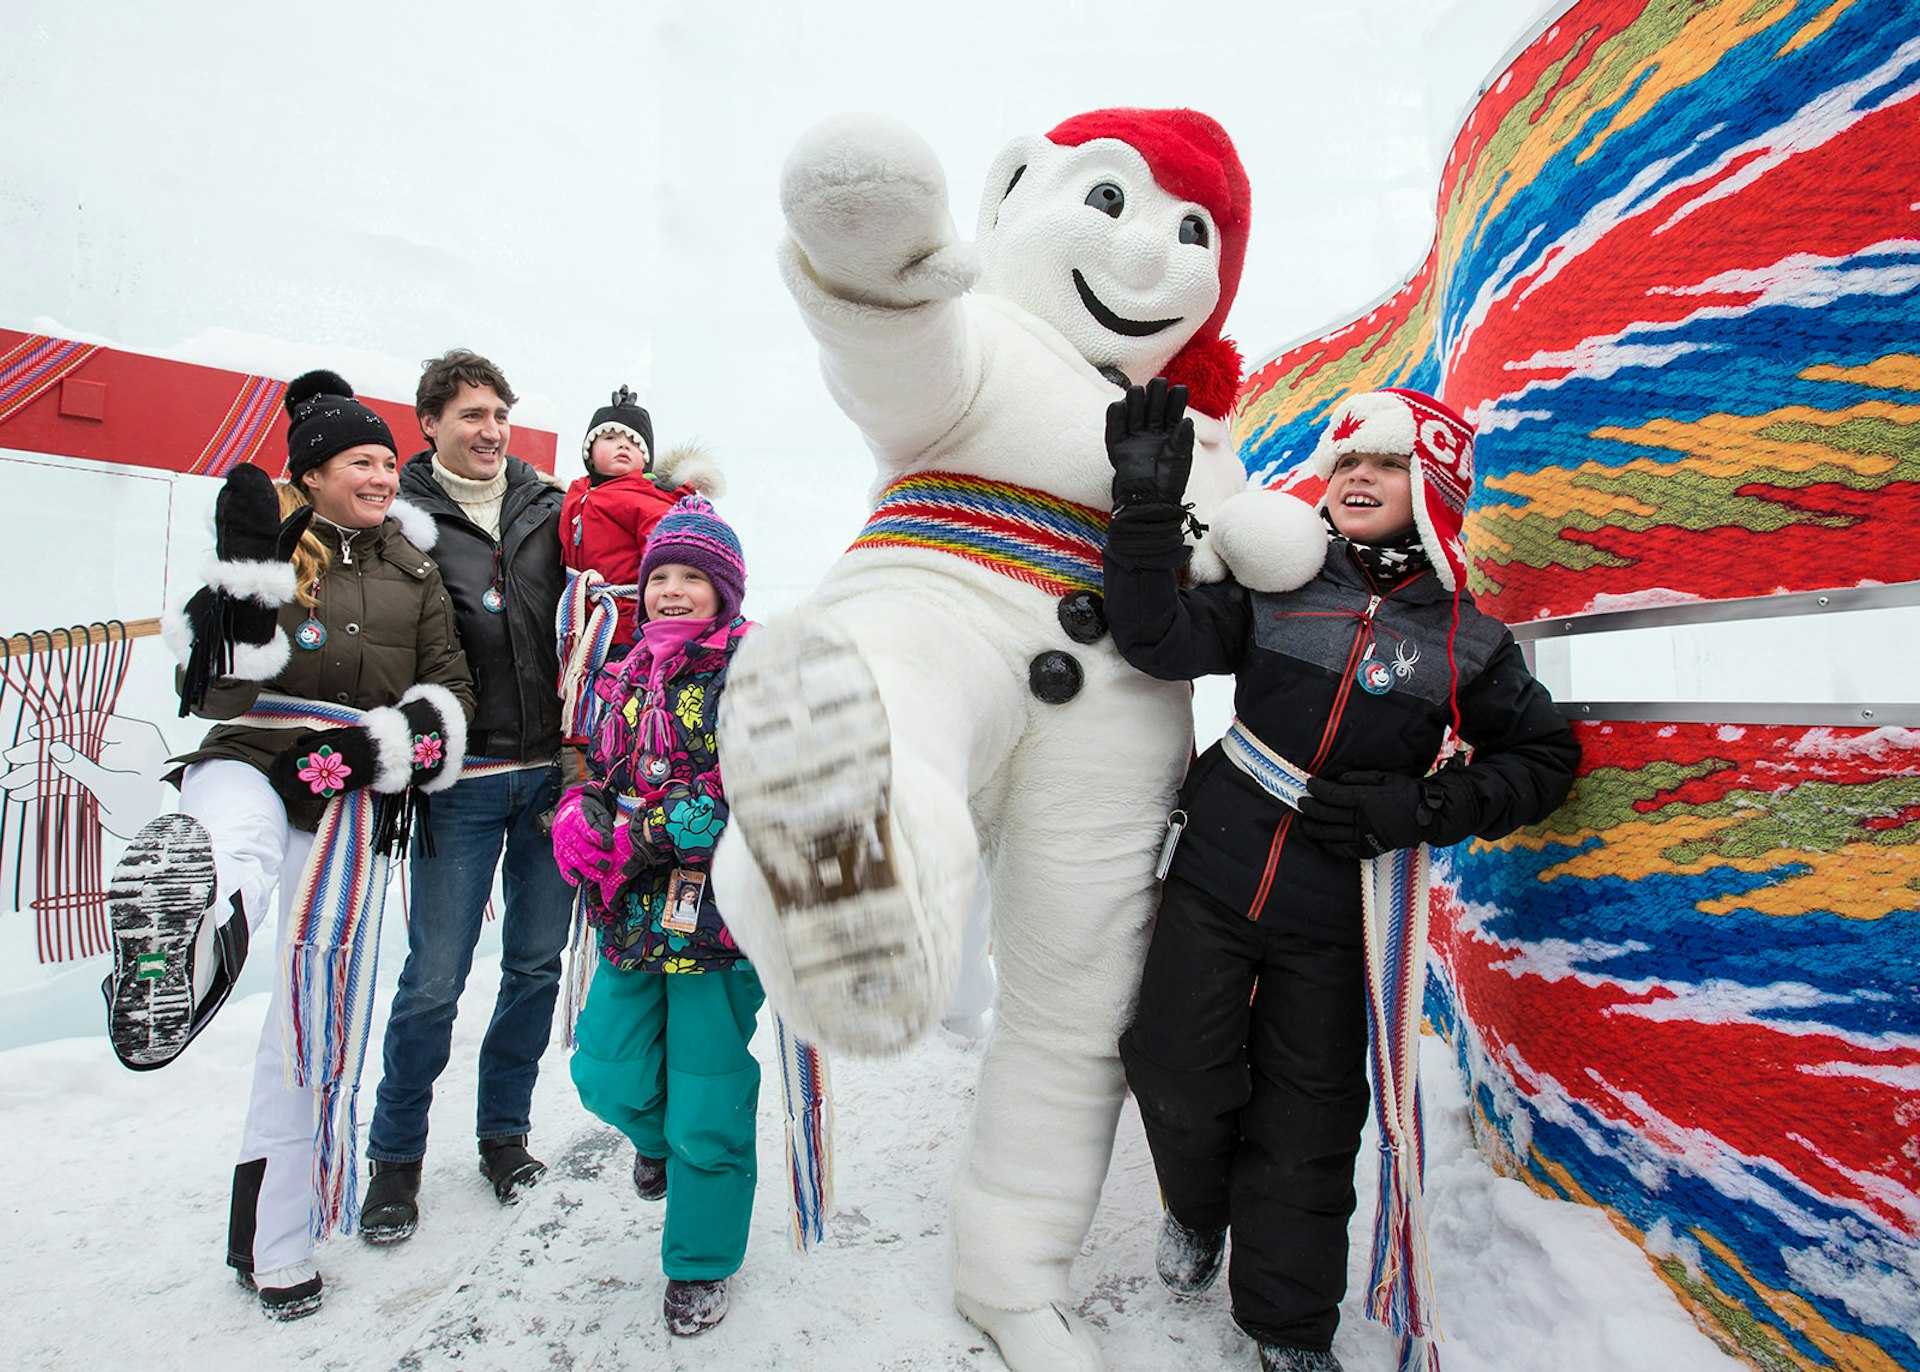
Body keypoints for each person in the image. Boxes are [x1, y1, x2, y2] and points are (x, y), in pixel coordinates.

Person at [1100, 381, 1580, 1372]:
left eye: (1387, 463)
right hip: (1216, 872)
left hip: (1341, 910)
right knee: (1173, 1065)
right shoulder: (1282, 582)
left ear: (1436, 486)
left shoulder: (1467, 643)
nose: (1358, 476)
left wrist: (1418, 809)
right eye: (1348, 461)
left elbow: (1544, 760)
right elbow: (1153, 638)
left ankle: (1286, 1324)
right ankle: (1198, 1208)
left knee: (1309, 1113)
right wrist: (1143, 509)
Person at [103, 370, 472, 1320]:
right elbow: (214, 698)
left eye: (392, 460)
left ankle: (276, 1247)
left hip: (346, 788)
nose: (386, 474)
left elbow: (451, 694)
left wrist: (382, 747)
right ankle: (187, 936)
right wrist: (245, 597)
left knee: (308, 1011)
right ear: (311, 474)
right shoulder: (261, 540)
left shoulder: (416, 571)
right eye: (363, 460)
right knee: (236, 847)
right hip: (249, 750)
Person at [359, 349, 573, 1242]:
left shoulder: (554, 508)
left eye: (501, 415)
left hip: (554, 778)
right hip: (461, 783)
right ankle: (395, 1161)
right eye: (473, 415)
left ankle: (503, 1138)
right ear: (431, 426)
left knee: (533, 968)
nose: (491, 431)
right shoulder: (399, 518)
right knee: (434, 980)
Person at [548, 495, 762, 1337]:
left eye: (692, 578)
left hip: (721, 922)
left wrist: (649, 826)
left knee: (708, 1099)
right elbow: (598, 769)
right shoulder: (624, 668)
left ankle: (700, 1261)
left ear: (725, 590)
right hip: (631, 918)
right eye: (660, 575)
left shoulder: (753, 667)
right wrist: (580, 815)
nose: (672, 590)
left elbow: (760, 776)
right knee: (604, 1070)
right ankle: (660, 1140)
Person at [558, 386, 724, 653]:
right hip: (581, 616)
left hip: (624, 622)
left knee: (615, 681)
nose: (623, 444)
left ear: (645, 459)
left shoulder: (644, 499)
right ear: (589, 451)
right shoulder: (577, 492)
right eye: (610, 437)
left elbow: (665, 551)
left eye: (634, 442)